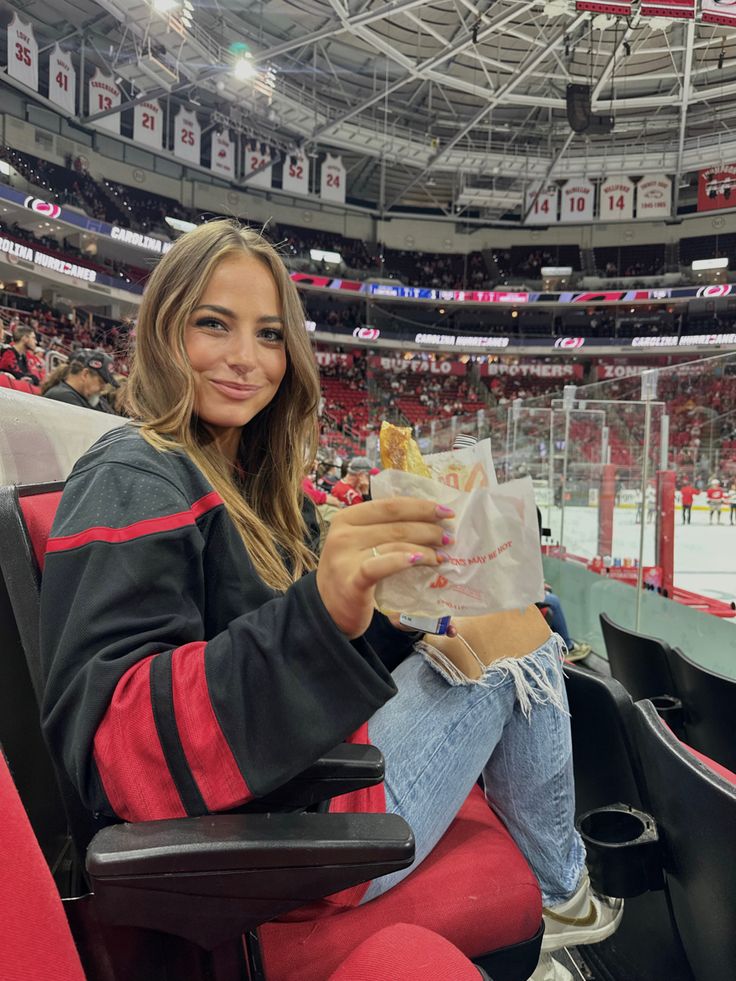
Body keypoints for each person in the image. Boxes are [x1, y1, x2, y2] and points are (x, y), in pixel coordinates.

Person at [39, 222, 621, 974]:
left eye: (270, 334)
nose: (247, 358)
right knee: (524, 635)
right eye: (213, 324)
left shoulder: (239, 475)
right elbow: (118, 750)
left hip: (296, 778)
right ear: (163, 328)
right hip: (279, 844)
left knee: (505, 612)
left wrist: (379, 615)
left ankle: (560, 893)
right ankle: (562, 890)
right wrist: (319, 614)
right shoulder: (135, 472)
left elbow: (281, 659)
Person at [41, 348, 118, 410]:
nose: (103, 388)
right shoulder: (62, 396)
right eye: (101, 382)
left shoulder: (86, 397)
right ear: (85, 374)